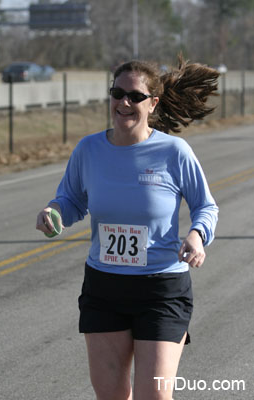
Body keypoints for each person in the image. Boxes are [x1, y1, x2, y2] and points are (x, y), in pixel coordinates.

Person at [36, 55, 219, 400]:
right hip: (104, 288)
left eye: (134, 96)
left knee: (155, 396)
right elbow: (71, 200)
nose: (124, 102)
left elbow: (205, 205)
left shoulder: (174, 152)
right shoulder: (89, 149)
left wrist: (197, 235)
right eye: (116, 93)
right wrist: (53, 212)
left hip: (162, 289)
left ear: (153, 103)